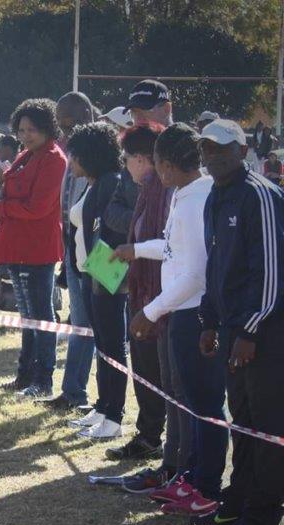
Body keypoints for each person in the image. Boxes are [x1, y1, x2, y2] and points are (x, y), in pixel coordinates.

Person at [110, 124, 222, 502]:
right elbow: (175, 250)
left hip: (191, 314)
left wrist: (150, 312)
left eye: (157, 164)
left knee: (193, 401)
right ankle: (179, 471)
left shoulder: (192, 201)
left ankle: (196, 479)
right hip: (181, 310)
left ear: (169, 165)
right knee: (179, 395)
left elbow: (193, 273)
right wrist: (138, 249)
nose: (155, 172)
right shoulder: (186, 193)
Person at [195, 119, 284, 525]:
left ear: (243, 151)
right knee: (243, 421)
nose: (212, 157)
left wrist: (250, 330)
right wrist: (210, 319)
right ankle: (238, 502)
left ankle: (264, 516)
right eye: (207, 149)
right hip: (233, 328)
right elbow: (216, 264)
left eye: (221, 149)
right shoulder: (216, 194)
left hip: (265, 332)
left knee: (267, 425)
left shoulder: (259, 195)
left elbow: (269, 273)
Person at [105, 80, 178, 462]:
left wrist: (134, 250)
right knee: (147, 371)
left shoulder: (168, 190)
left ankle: (165, 446)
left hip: (164, 298)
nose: (128, 168)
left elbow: (168, 245)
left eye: (130, 160)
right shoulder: (146, 189)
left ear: (145, 159)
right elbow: (117, 215)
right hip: (144, 292)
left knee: (164, 377)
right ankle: (149, 437)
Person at [0, 98, 67, 397]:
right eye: (21, 129)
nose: (25, 135)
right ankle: (24, 375)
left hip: (38, 249)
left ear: (47, 128)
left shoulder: (54, 159)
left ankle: (42, 381)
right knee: (28, 316)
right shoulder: (25, 156)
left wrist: (1, 209)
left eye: (32, 129)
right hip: (17, 247)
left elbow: (37, 207)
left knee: (41, 316)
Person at [62, 122, 128, 439]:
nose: (70, 162)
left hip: (105, 278)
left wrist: (101, 277)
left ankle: (114, 416)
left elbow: (110, 234)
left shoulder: (110, 182)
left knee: (112, 345)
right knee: (102, 345)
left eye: (75, 156)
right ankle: (102, 407)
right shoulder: (93, 182)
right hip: (90, 276)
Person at [40, 92, 97, 412]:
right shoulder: (71, 149)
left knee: (94, 326)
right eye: (60, 126)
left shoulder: (102, 153)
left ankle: (93, 397)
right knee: (80, 324)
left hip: (95, 253)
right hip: (73, 248)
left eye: (70, 124)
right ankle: (73, 391)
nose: (64, 132)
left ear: (87, 115)